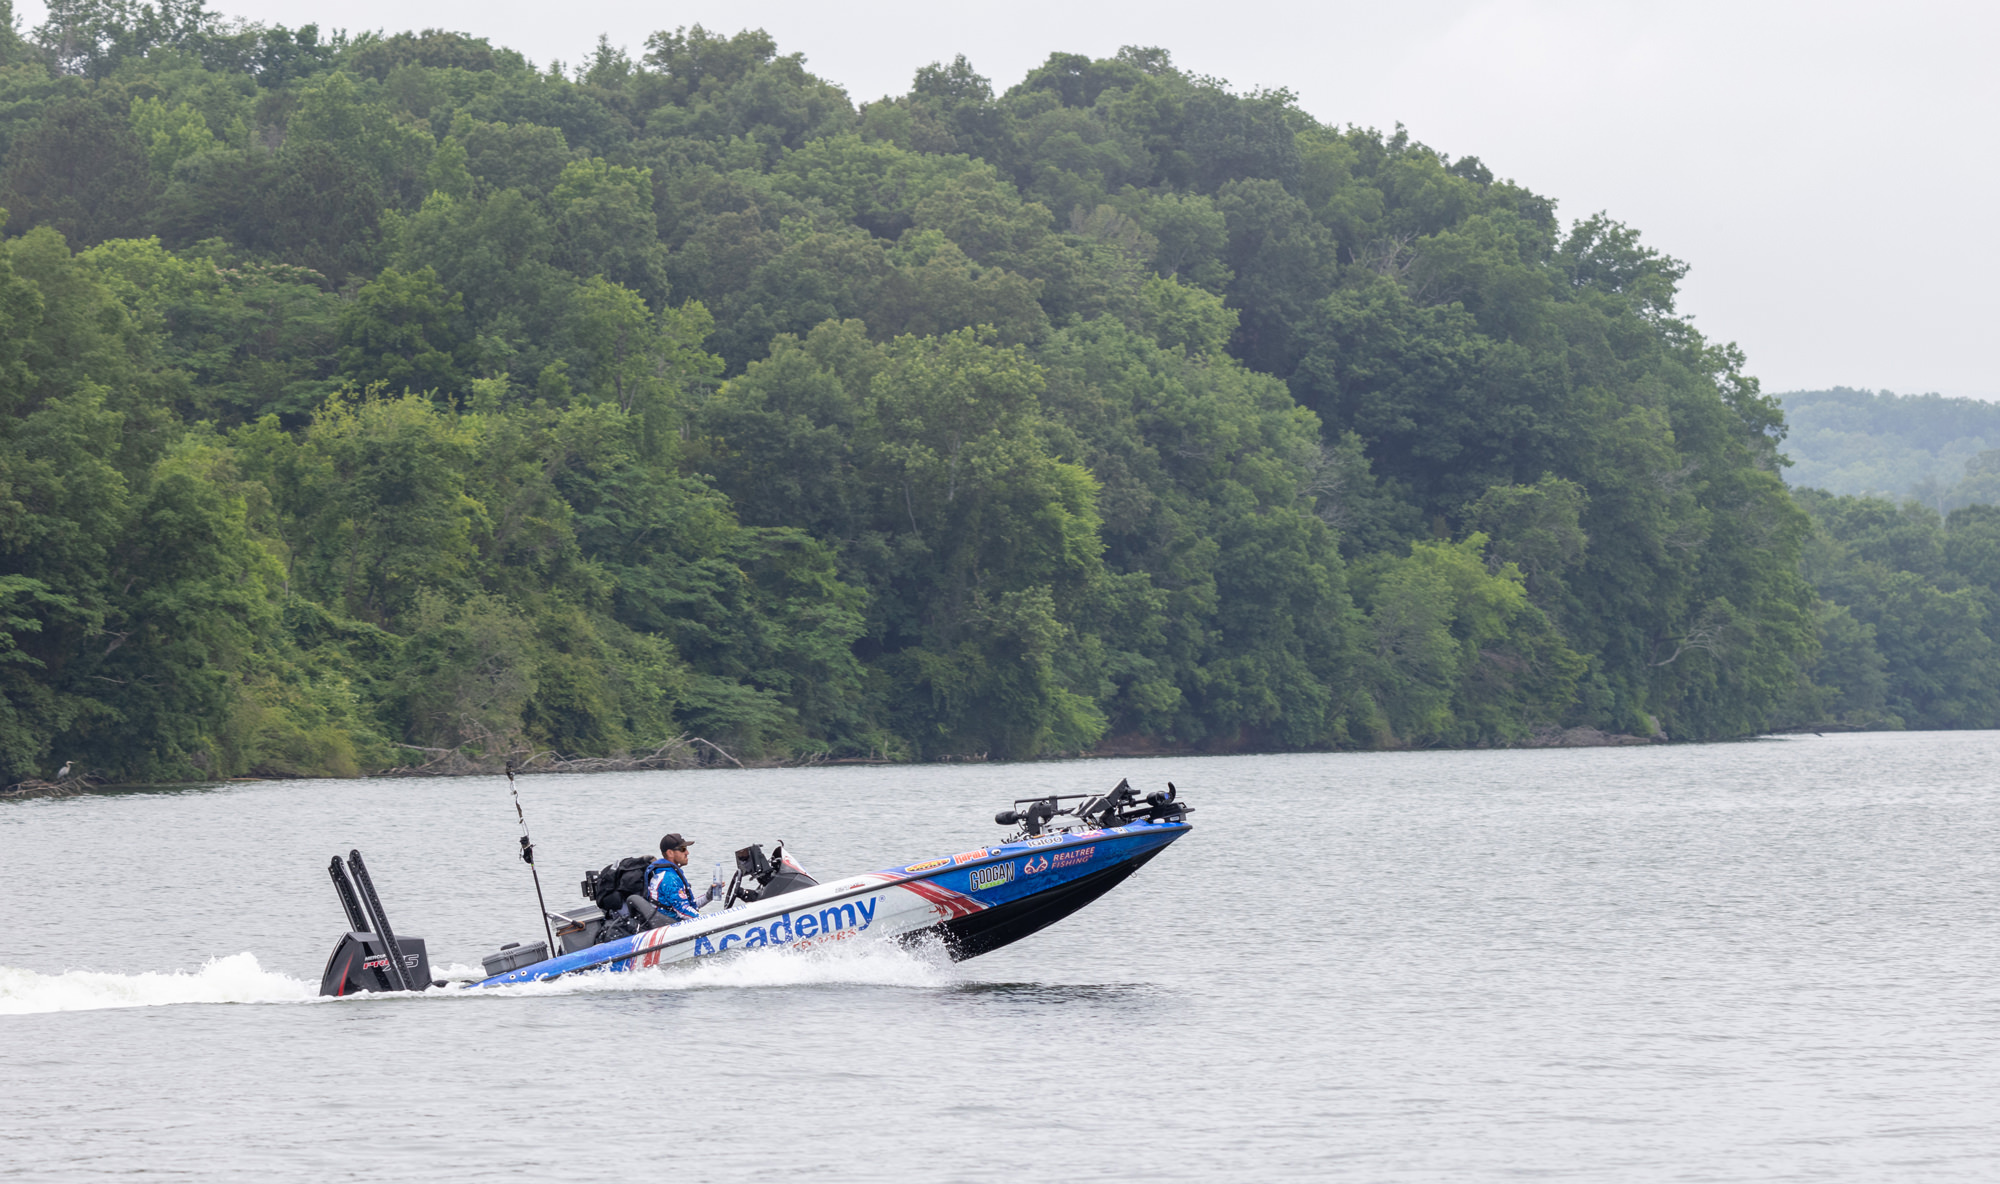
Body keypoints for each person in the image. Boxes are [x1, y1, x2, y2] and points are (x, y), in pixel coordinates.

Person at [645, 833, 716, 923]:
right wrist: (709, 921)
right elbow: (683, 910)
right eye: (683, 849)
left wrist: (708, 897)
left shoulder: (669, 873)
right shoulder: (668, 878)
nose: (687, 853)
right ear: (670, 853)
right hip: (667, 926)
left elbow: (687, 906)